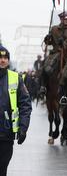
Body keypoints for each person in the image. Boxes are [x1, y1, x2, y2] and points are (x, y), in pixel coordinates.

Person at [0, 46, 32, 175]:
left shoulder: (15, 78)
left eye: (5, 58)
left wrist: (23, 128)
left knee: (2, 169)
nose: (2, 60)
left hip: (6, 134)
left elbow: (25, 104)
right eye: (0, 57)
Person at [39, 12, 67, 94]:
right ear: (61, 19)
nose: (66, 20)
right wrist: (47, 39)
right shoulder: (54, 29)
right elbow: (48, 42)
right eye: (65, 19)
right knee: (45, 66)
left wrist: (65, 43)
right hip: (56, 52)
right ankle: (43, 86)